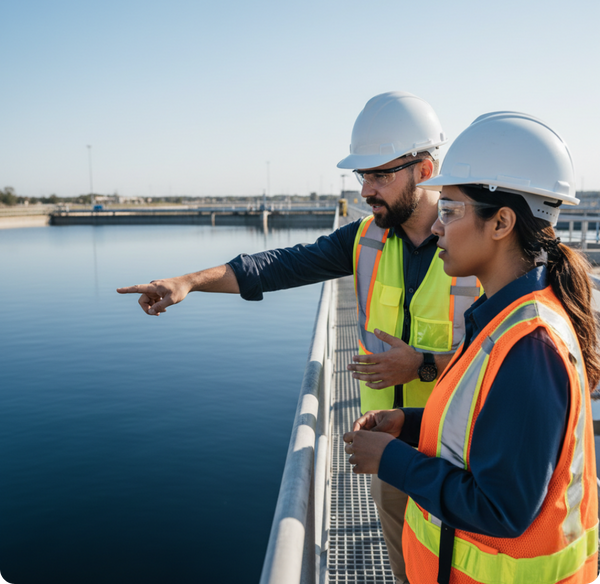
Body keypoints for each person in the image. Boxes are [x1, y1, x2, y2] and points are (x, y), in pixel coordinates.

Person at [117, 91, 481, 583]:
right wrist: (189, 282)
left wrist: (421, 364)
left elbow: (507, 352)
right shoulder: (363, 239)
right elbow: (277, 265)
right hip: (390, 447)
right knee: (409, 570)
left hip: (463, 452)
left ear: (424, 169)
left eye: (380, 175)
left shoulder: (473, 242)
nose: (366, 191)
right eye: (362, 177)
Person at [343, 111, 599, 584]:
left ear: (501, 221)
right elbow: (489, 430)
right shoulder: (500, 317)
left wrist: (391, 460)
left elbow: (502, 508)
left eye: (451, 210)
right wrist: (409, 424)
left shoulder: (531, 346)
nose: (437, 228)